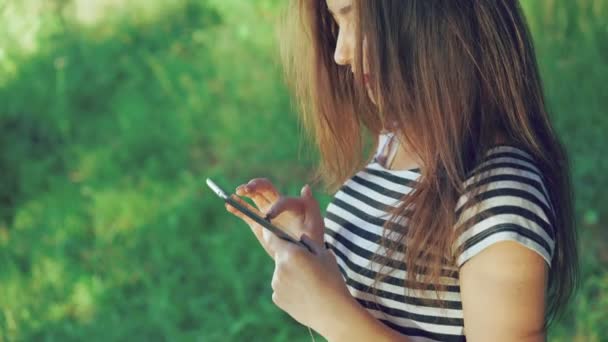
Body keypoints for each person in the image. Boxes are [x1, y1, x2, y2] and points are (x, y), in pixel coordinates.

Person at [226, 0, 578, 341]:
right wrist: (312, 255)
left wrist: (330, 311)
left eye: (354, 19)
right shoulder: (397, 138)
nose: (340, 52)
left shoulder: (499, 193)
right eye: (336, 23)